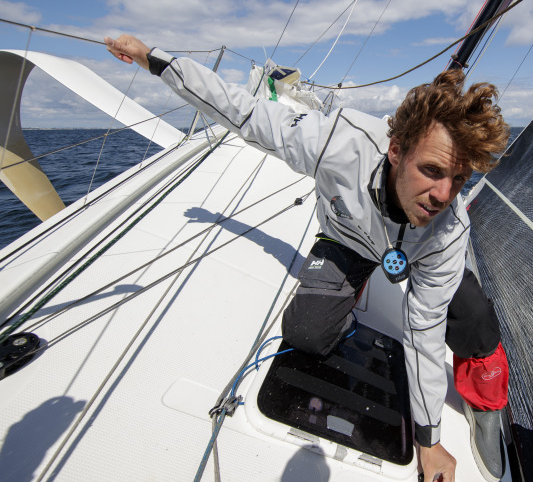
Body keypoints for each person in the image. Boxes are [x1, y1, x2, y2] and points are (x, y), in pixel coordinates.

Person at [106, 35, 511, 482]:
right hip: (347, 239)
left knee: (473, 316)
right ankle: (351, 287)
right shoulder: (337, 144)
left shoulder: (449, 226)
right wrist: (157, 61)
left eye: (459, 179)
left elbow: (423, 332)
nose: (443, 195)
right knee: (306, 333)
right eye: (431, 170)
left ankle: (485, 400)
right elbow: (246, 113)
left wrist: (429, 440)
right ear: (395, 150)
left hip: (418, 255)